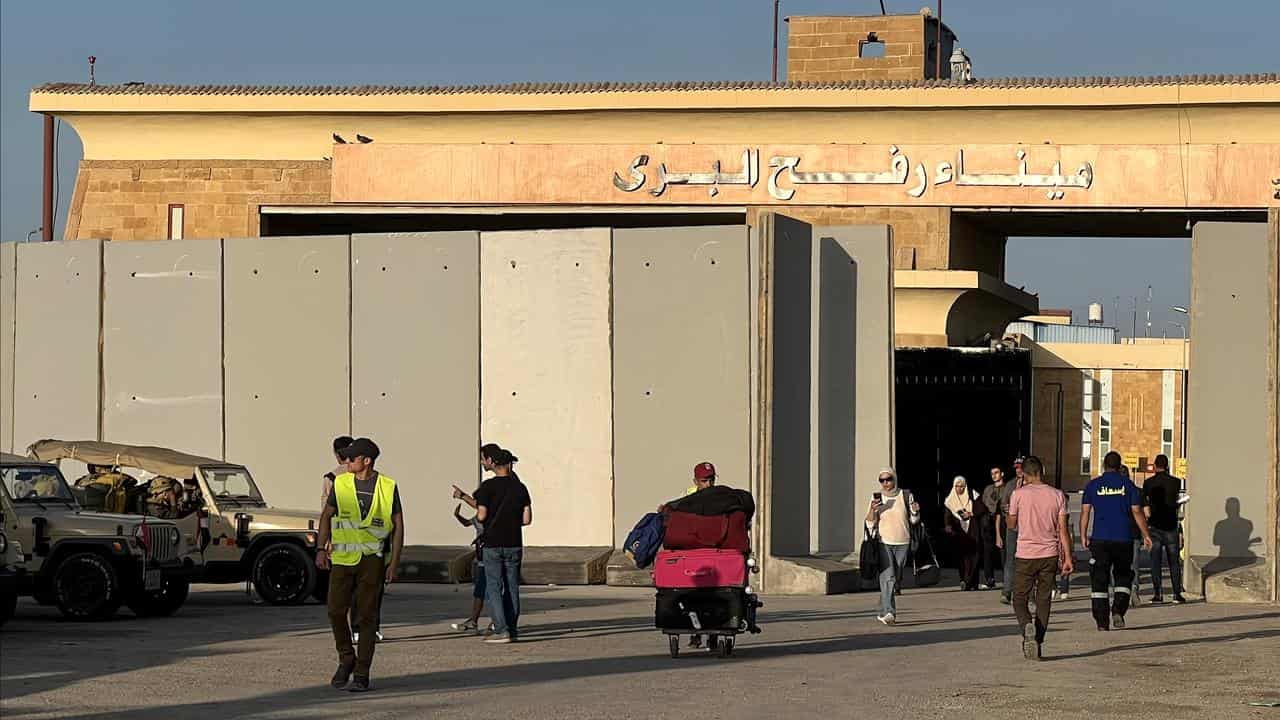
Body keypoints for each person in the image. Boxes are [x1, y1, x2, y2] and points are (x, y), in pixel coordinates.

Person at [316, 437, 404, 692]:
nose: (346, 462)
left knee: (367, 618)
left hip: (373, 562)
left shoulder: (388, 486)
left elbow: (398, 526)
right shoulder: (341, 482)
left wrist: (394, 563)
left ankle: (362, 673)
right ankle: (346, 658)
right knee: (334, 611)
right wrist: (321, 548)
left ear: (366, 461)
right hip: (342, 560)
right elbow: (326, 516)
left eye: (351, 458)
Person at [1007, 456, 1072, 661]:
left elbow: (1011, 525)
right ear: (1042, 471)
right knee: (1043, 600)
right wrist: (1068, 557)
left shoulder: (1018, 494)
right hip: (1049, 554)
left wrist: (1011, 514)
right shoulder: (1057, 495)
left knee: (1019, 597)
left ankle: (1027, 625)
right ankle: (1039, 639)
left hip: (1025, 554)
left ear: (1024, 474)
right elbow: (1063, 530)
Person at [1080, 451, 1152, 631]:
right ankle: (1118, 610)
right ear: (1120, 467)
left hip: (1100, 539)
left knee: (1099, 580)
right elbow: (1137, 512)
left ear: (1104, 465)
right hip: (1123, 539)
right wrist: (1146, 534)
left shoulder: (1092, 486)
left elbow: (1085, 513)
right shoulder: (1128, 485)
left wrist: (1083, 535)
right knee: (1123, 576)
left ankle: (1101, 621)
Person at [474, 448, 532, 644]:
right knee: (512, 586)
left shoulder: (487, 487)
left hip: (493, 544)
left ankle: (501, 629)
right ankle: (513, 629)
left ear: (493, 462)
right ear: (509, 465)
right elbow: (526, 519)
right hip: (514, 543)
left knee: (493, 587)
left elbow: (481, 516)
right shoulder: (520, 488)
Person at [450, 443, 502, 634]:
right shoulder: (482, 514)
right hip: (482, 555)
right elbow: (473, 517)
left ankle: (499, 622)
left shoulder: (498, 486)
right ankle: (474, 620)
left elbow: (480, 506)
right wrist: (458, 514)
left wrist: (463, 496)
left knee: (495, 589)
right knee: (480, 590)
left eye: (482, 458)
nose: (481, 462)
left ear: (490, 460)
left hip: (494, 549)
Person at [865, 467, 921, 625]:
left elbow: (914, 521)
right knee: (888, 577)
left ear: (894, 479)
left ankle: (882, 609)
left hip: (903, 541)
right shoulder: (876, 498)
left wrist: (916, 512)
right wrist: (872, 509)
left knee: (894, 578)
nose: (885, 483)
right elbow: (869, 522)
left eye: (888, 479)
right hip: (884, 541)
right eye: (881, 480)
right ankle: (890, 612)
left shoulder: (905, 495)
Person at [1144, 454, 1186, 604]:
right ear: (1167, 465)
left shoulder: (1148, 483)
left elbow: (1145, 504)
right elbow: (1174, 501)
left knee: (1155, 562)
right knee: (1173, 561)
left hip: (1154, 526)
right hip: (1170, 525)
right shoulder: (1176, 482)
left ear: (1155, 466)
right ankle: (1177, 594)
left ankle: (1158, 594)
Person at [943, 476, 985, 591]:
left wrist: (971, 513)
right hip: (959, 531)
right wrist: (948, 525)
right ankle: (965, 581)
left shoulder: (973, 495)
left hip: (973, 529)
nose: (959, 488)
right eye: (957, 486)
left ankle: (972, 582)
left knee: (974, 556)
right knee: (962, 557)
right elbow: (947, 515)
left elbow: (982, 508)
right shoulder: (949, 499)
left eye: (962, 486)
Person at [997, 457, 1025, 604]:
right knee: (1010, 559)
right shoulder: (1010, 485)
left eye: (1021, 467)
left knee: (1027, 561)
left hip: (1028, 527)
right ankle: (1007, 591)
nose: (1018, 470)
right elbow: (1002, 504)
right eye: (1016, 468)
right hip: (1013, 527)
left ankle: (1027, 593)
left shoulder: (1032, 485)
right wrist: (1005, 508)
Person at [977, 466, 1003, 590]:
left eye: (996, 473)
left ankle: (1007, 579)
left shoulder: (1006, 488)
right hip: (988, 522)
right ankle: (989, 579)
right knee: (987, 552)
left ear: (1002, 474)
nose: (994, 475)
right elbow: (983, 503)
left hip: (1001, 520)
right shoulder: (988, 489)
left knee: (1003, 551)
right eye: (992, 473)